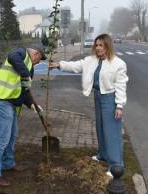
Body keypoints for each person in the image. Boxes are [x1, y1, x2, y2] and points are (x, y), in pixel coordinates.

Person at [49, 34, 128, 177]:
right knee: (100, 129)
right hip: (98, 96)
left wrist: (119, 106)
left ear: (107, 46)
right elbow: (76, 66)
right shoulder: (90, 60)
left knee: (112, 133)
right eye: (96, 45)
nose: (97, 48)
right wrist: (60, 65)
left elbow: (121, 86)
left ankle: (115, 165)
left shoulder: (118, 64)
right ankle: (103, 155)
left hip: (111, 98)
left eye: (100, 45)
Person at [0, 43, 46, 186]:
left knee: (12, 136)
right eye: (39, 60)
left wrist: (32, 105)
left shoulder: (29, 68)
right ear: (36, 54)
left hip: (10, 103)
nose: (37, 63)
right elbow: (12, 56)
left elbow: (24, 92)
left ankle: (7, 163)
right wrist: (25, 74)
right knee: (2, 138)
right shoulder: (21, 53)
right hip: (1, 100)